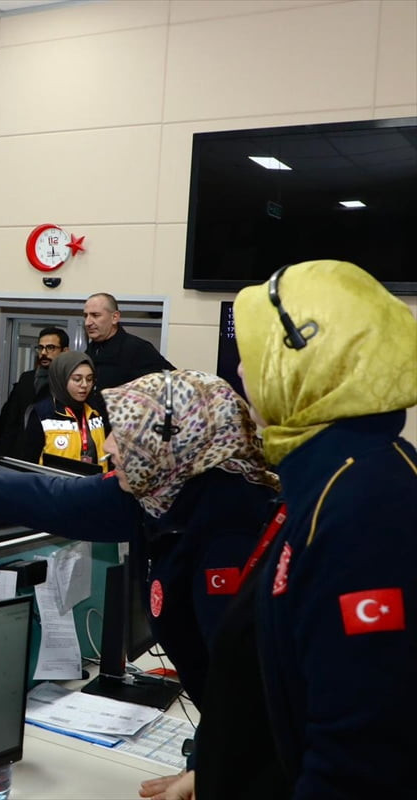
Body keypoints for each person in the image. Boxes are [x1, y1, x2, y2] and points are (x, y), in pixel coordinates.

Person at [0, 370, 279, 717]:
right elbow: (58, 499)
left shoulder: (234, 532)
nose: (110, 446)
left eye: (128, 435)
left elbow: (253, 696)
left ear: (176, 441)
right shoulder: (160, 489)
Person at [181, 260, 416, 800]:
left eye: (254, 357)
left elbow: (361, 763)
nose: (242, 373)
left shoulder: (365, 506)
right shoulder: (338, 475)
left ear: (303, 362)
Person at [18, 351, 108, 465]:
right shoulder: (42, 413)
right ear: (61, 379)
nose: (84, 385)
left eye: (89, 379)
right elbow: (28, 463)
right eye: (77, 379)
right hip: (53, 477)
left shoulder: (96, 412)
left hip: (94, 477)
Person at [0, 326, 68, 457]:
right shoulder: (27, 379)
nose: (44, 353)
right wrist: (2, 455)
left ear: (64, 351)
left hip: (52, 453)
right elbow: (10, 420)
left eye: (51, 348)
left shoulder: (69, 383)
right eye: (40, 348)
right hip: (20, 455)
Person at [84, 293, 173, 391]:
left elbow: (173, 384)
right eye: (85, 316)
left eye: (95, 315)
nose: (87, 322)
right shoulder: (90, 351)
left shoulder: (138, 349)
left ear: (115, 317)